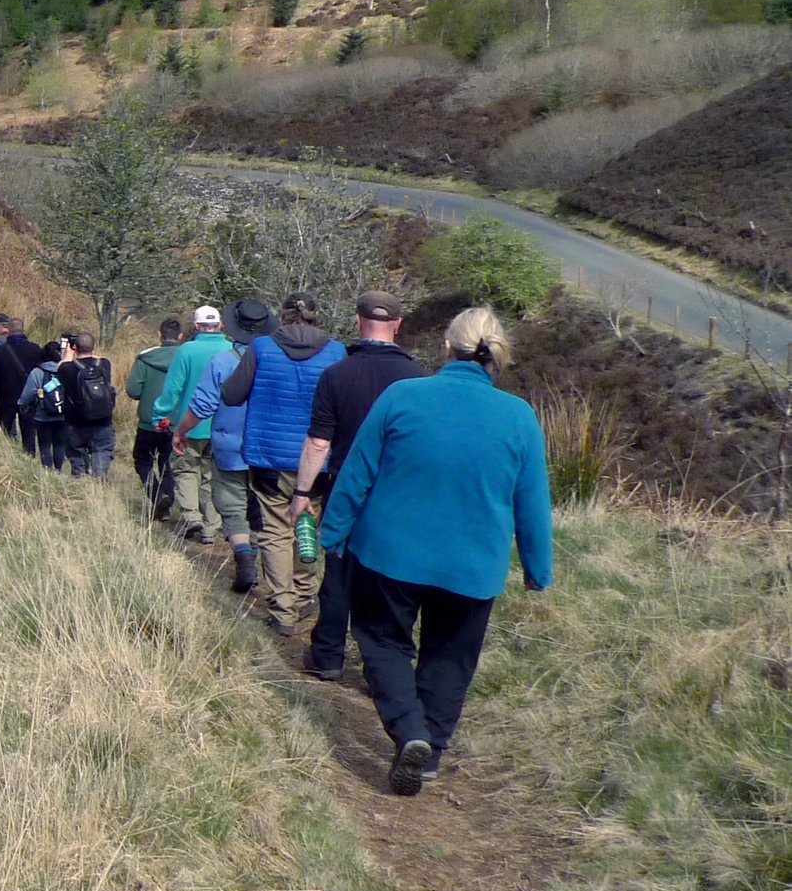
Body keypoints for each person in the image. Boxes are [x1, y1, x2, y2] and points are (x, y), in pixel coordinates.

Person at [319, 306, 551, 797]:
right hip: (473, 566)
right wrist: (537, 569)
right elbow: (531, 503)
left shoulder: (403, 396)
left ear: (447, 347)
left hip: (389, 554)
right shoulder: (519, 417)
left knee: (384, 643)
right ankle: (430, 755)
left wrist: (332, 533)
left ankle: (410, 733)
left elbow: (357, 472)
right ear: (497, 358)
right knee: (450, 658)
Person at [294, 291, 429, 682]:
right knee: (388, 580)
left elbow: (319, 442)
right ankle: (381, 669)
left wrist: (302, 493)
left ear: (358, 321)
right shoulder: (418, 379)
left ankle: (328, 656)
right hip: (397, 492)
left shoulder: (337, 374)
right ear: (398, 325)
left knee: (338, 575)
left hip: (344, 486)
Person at [218, 292, 347, 637]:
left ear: (282, 316)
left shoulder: (261, 348)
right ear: (318, 315)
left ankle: (283, 609)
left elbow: (231, 395)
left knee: (276, 530)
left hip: (268, 456)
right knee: (307, 522)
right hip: (318, 459)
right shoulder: (336, 352)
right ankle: (305, 595)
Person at [178, 299, 275, 587]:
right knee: (266, 507)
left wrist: (180, 431)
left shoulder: (222, 360)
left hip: (229, 444)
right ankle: (267, 562)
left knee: (232, 507)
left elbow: (202, 405)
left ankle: (243, 554)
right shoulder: (276, 360)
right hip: (268, 448)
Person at [152, 306, 231, 545]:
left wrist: (160, 415)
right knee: (212, 476)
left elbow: (173, 388)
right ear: (220, 325)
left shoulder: (186, 350)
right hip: (223, 427)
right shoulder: (232, 350)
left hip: (189, 424)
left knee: (185, 470)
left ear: (196, 326)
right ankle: (211, 526)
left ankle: (191, 516)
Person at [126, 318, 184, 520]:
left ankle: (157, 494)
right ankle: (166, 499)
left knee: (143, 460)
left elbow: (133, 390)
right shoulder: (187, 358)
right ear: (180, 337)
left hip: (149, 421)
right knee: (169, 463)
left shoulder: (145, 358)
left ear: (160, 335)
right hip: (178, 422)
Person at [53, 331, 116, 477]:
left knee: (77, 455)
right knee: (102, 451)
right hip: (103, 420)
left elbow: (60, 367)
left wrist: (68, 353)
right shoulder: (104, 364)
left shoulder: (66, 369)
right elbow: (95, 358)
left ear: (75, 347)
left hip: (76, 422)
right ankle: (98, 483)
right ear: (94, 347)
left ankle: (81, 485)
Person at [0, 315, 39, 443]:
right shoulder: (35, 349)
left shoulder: (0, 351)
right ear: (23, 329)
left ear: (9, 330)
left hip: (6, 396)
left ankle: (8, 454)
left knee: (6, 430)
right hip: (29, 397)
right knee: (29, 432)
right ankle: (29, 455)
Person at [19, 340, 69, 469]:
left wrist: (21, 404)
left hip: (43, 415)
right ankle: (59, 470)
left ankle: (47, 471)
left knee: (44, 445)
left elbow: (27, 395)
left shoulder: (37, 372)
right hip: (63, 414)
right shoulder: (66, 370)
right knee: (59, 444)